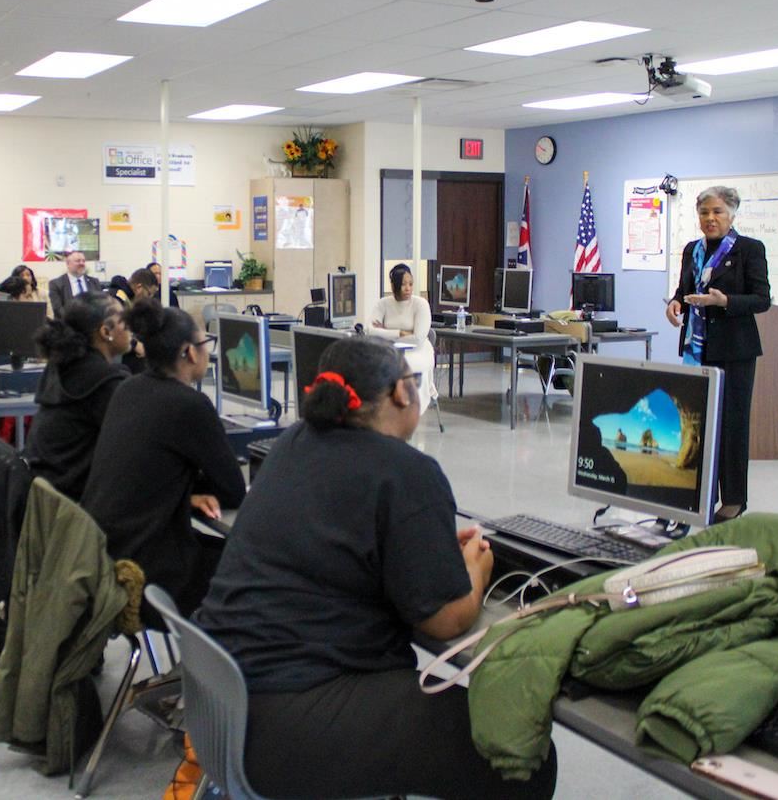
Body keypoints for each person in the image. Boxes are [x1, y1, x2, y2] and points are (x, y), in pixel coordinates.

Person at [197, 337, 557, 800]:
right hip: (293, 722)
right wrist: (476, 568)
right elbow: (446, 619)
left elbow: (338, 544)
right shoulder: (407, 471)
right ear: (401, 393)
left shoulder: (291, 445)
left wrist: (417, 546)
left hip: (222, 703)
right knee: (524, 758)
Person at [81, 298, 244, 622]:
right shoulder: (190, 405)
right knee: (253, 568)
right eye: (205, 343)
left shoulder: (128, 389)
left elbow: (141, 474)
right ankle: (227, 668)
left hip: (103, 562)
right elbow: (234, 490)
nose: (208, 351)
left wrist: (181, 492)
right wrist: (190, 488)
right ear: (189, 352)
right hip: (143, 576)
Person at [667, 185, 771, 520]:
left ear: (731, 214)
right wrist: (675, 303)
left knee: (731, 425)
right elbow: (685, 290)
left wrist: (724, 302)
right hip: (697, 349)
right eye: (704, 212)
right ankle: (700, 493)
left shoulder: (749, 250)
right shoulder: (691, 250)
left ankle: (734, 499)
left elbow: (761, 299)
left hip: (734, 351)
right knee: (696, 424)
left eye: (717, 212)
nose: (710, 219)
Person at [25, 292, 131, 501]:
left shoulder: (59, 366)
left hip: (49, 494)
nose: (130, 328)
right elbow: (135, 447)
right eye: (124, 322)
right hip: (78, 504)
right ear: (105, 331)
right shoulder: (105, 382)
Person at [368, 261, 437, 412]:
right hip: (390, 350)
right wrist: (399, 333)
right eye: (403, 284)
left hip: (418, 351)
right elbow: (371, 331)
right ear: (394, 286)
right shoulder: (383, 304)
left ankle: (409, 408)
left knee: (404, 368)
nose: (408, 288)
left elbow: (418, 338)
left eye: (411, 284)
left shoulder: (421, 305)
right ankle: (384, 407)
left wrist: (385, 331)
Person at [46, 250, 102, 317]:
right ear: (68, 264)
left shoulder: (94, 282)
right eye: (78, 261)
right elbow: (57, 309)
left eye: (83, 261)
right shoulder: (56, 284)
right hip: (68, 323)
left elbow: (100, 304)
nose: (82, 263)